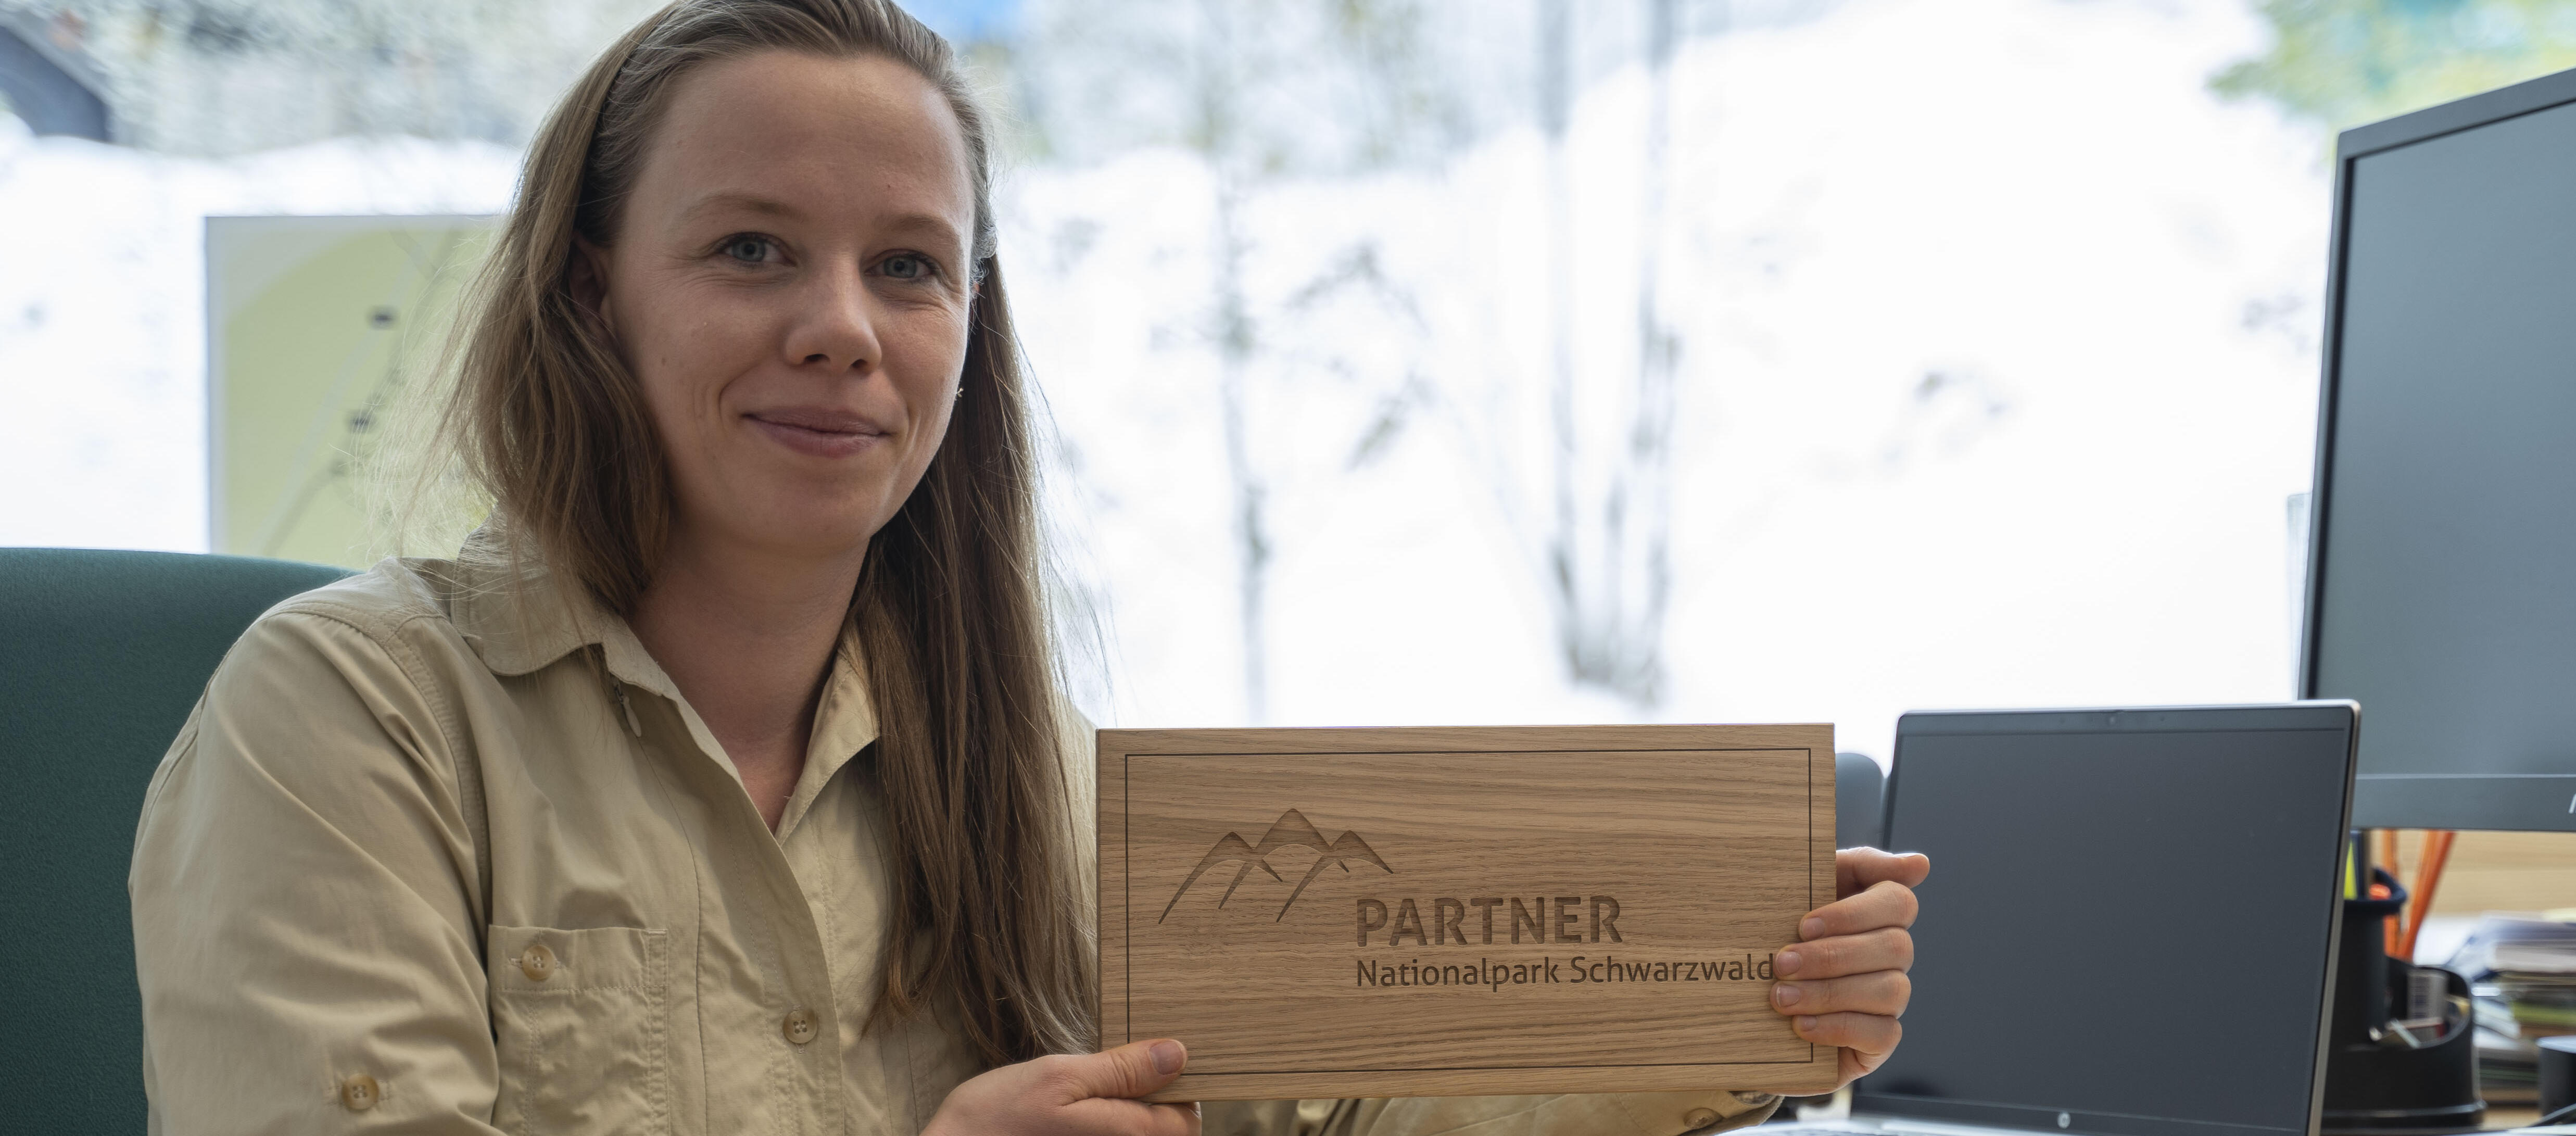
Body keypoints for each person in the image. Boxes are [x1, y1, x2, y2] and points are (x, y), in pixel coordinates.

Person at [126, 1, 1928, 1132]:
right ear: (595, 291)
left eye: (911, 267)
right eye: (755, 248)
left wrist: (1752, 1006)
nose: (844, 329)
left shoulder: (1025, 773)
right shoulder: (349, 715)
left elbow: (1348, 1089)